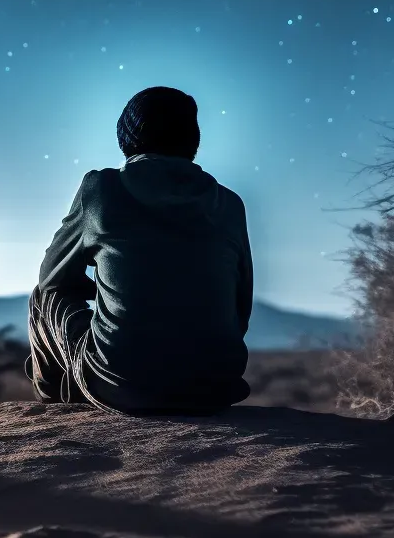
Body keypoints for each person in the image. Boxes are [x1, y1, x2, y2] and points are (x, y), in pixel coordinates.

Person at [26, 86, 253, 415]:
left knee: (44, 297)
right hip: (215, 388)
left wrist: (107, 289)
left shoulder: (102, 189)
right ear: (192, 139)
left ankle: (58, 410)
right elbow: (240, 307)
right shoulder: (230, 204)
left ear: (127, 136)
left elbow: (51, 278)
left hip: (125, 388)